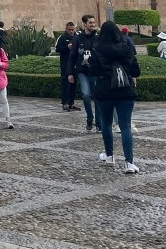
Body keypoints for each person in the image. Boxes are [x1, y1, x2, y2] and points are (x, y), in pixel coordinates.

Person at [86, 19, 141, 172]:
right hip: (125, 91)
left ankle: (109, 156)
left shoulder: (97, 49)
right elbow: (136, 72)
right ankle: (129, 163)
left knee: (106, 124)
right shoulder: (127, 49)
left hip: (105, 91)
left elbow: (93, 72)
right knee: (125, 126)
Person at [69, 14, 100, 132]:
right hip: (82, 71)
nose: (92, 25)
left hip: (95, 72)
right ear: (85, 24)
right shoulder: (78, 38)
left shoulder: (97, 38)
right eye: (90, 23)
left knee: (97, 97)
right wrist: (70, 73)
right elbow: (72, 56)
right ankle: (89, 118)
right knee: (86, 95)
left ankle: (99, 123)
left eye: (93, 22)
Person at [55, 21, 80, 111]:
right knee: (66, 84)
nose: (71, 31)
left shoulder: (77, 37)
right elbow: (57, 49)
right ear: (66, 29)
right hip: (65, 64)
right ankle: (65, 103)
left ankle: (71, 103)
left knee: (74, 84)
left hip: (75, 64)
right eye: (69, 29)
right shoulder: (62, 38)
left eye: (73, 29)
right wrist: (67, 47)